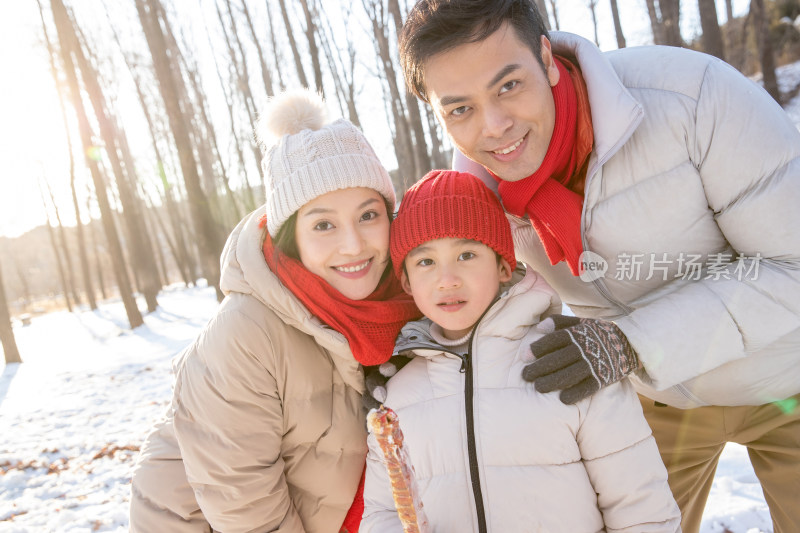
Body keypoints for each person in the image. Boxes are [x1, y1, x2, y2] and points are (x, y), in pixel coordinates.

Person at [392, 1, 800, 532]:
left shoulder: (692, 98)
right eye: (459, 109)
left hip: (788, 375)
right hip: (659, 397)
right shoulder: (481, 200)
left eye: (509, 85)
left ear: (545, 55)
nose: (494, 126)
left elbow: (792, 265)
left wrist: (629, 342)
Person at [129, 89, 420, 533]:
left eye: (368, 215)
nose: (353, 245)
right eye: (323, 224)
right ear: (290, 236)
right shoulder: (245, 335)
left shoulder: (406, 301)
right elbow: (248, 513)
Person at [361, 169, 681, 532]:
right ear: (406, 280)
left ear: (502, 265)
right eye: (425, 261)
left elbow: (642, 508)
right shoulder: (395, 397)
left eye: (466, 254)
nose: (446, 278)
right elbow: (381, 511)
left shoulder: (571, 359)